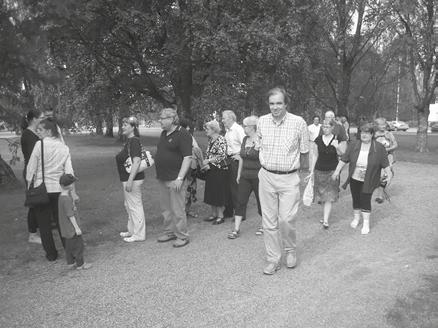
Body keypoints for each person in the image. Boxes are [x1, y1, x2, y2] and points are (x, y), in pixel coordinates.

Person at [257, 87, 310, 275]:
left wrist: (304, 177)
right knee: (268, 221)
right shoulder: (262, 122)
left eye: (279, 103)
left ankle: (290, 250)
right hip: (266, 176)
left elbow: (305, 152)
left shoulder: (299, 123)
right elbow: (259, 146)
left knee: (286, 219)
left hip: (289, 178)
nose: (275, 107)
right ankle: (273, 258)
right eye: (271, 103)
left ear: (286, 104)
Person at [26, 118, 75, 261]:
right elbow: (69, 172)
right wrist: (71, 191)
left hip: (42, 189)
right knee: (62, 222)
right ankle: (69, 250)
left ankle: (51, 254)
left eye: (40, 130)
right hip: (59, 189)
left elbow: (31, 169)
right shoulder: (64, 148)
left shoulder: (39, 145)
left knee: (44, 223)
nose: (37, 132)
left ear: (49, 131)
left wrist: (29, 187)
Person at [332, 123, 393, 235]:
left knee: (365, 199)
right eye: (362, 132)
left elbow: (385, 163)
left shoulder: (378, 147)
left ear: (372, 134)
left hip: (369, 179)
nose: (364, 135)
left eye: (367, 133)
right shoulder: (354, 145)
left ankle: (366, 223)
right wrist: (336, 171)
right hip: (355, 178)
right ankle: (356, 218)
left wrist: (389, 175)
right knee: (356, 198)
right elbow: (344, 159)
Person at [155, 108, 192, 248]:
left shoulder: (183, 134)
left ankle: (182, 236)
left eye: (163, 118)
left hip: (175, 179)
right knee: (166, 209)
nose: (160, 120)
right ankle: (170, 232)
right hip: (163, 177)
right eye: (160, 118)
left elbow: (187, 158)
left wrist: (180, 178)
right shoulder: (164, 133)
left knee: (177, 209)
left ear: (172, 119)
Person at [227, 116, 263, 239]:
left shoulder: (261, 140)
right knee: (240, 201)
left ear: (252, 127)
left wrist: (259, 147)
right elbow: (242, 157)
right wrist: (238, 174)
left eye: (245, 126)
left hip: (258, 176)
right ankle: (236, 229)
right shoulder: (244, 139)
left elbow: (264, 159)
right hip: (245, 176)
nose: (243, 128)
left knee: (261, 201)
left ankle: (264, 225)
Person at [115, 116, 146, 242]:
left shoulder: (134, 141)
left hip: (133, 179)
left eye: (126, 124)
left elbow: (137, 161)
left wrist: (130, 180)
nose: (123, 127)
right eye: (122, 124)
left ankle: (139, 234)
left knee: (135, 206)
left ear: (133, 127)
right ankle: (132, 230)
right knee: (129, 205)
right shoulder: (129, 141)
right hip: (128, 179)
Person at [311, 119, 346, 229]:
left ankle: (325, 220)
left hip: (332, 171)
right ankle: (325, 215)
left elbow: (343, 155)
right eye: (324, 127)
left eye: (327, 127)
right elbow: (315, 156)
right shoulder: (318, 139)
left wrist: (337, 146)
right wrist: (311, 171)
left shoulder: (337, 139)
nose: (325, 129)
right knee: (322, 195)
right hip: (319, 170)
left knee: (329, 196)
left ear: (332, 128)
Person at [58, 174, 92, 270]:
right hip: (72, 229)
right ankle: (81, 264)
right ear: (70, 185)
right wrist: (76, 228)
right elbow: (70, 215)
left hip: (65, 229)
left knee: (69, 246)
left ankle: (70, 262)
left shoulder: (61, 197)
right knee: (78, 246)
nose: (73, 185)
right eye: (73, 183)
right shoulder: (67, 199)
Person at [20, 109, 44, 244]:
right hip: (32, 173)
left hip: (38, 171)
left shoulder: (35, 133)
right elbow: (32, 158)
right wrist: (33, 176)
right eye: (41, 118)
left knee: (40, 200)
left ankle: (42, 227)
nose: (42, 120)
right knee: (34, 202)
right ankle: (32, 234)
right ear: (34, 119)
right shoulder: (28, 136)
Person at [202, 120, 229, 225]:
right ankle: (213, 214)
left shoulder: (221, 139)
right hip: (210, 169)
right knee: (211, 192)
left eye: (207, 129)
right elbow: (208, 154)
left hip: (219, 170)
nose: (206, 131)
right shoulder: (211, 140)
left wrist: (208, 161)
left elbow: (222, 155)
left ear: (213, 129)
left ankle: (220, 216)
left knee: (218, 192)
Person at [222, 110, 245, 219]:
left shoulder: (238, 130)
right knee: (228, 186)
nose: (222, 121)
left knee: (236, 187)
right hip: (229, 160)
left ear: (231, 118)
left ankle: (240, 213)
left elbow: (246, 144)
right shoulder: (228, 131)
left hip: (236, 161)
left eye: (223, 118)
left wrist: (239, 155)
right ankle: (229, 210)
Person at [179, 118, 205, 218]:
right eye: (187, 126)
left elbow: (197, 149)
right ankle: (182, 211)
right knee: (185, 188)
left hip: (191, 167)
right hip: (185, 167)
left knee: (190, 188)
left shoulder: (189, 136)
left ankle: (187, 210)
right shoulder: (183, 137)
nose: (189, 128)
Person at [373, 117, 398, 203]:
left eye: (384, 124)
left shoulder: (389, 134)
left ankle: (380, 195)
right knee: (379, 176)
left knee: (386, 175)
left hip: (388, 157)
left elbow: (395, 145)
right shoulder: (374, 135)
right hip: (377, 158)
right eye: (380, 125)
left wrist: (387, 149)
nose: (383, 126)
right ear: (377, 126)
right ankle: (383, 190)